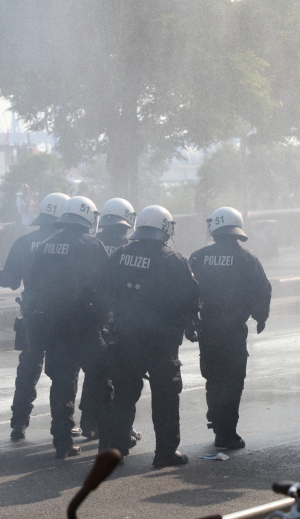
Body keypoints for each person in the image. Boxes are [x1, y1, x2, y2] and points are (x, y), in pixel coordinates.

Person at [100, 205, 199, 467]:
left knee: (123, 396)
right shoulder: (172, 259)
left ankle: (117, 449)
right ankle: (165, 453)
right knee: (165, 397)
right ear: (165, 228)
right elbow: (191, 297)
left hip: (125, 339)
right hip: (161, 342)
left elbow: (104, 287)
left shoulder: (121, 254)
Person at [0, 193, 77, 441]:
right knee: (64, 372)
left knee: (28, 369)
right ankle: (62, 426)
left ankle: (18, 424)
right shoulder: (72, 243)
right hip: (62, 318)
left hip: (32, 316)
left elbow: (9, 281)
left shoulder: (24, 242)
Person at [25, 196, 113, 459]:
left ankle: (62, 442)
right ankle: (107, 442)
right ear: (87, 217)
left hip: (55, 327)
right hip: (86, 326)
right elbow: (107, 283)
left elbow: (31, 285)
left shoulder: (46, 245)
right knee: (100, 381)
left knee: (62, 385)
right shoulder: (92, 245)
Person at [188, 207, 271, 449]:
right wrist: (260, 317)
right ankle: (227, 434)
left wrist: (189, 321)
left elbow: (187, 292)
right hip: (234, 331)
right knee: (233, 381)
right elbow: (262, 290)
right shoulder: (247, 259)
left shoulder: (198, 257)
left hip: (208, 330)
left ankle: (216, 421)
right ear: (237, 230)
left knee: (213, 379)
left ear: (214, 229)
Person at [78, 198, 142, 443]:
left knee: (94, 372)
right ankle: (120, 428)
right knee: (120, 375)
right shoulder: (131, 246)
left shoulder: (93, 242)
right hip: (121, 318)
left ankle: (88, 422)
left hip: (94, 315)